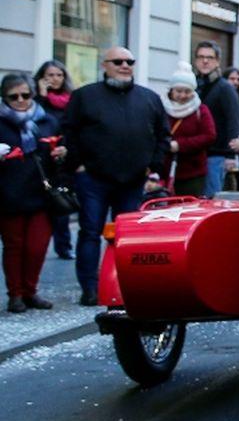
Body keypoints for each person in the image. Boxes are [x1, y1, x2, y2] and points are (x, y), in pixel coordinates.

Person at [61, 47, 170, 306]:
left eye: (130, 61)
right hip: (93, 178)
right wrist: (78, 165)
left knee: (127, 236)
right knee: (90, 232)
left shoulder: (149, 98)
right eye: (118, 61)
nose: (125, 65)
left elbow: (163, 135)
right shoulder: (84, 96)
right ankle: (89, 287)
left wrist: (152, 166)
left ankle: (123, 284)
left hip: (133, 179)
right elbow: (68, 132)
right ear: (105, 65)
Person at [1, 74, 66, 312]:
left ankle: (31, 291)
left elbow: (61, 147)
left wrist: (61, 153)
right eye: (14, 97)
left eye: (25, 95)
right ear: (4, 98)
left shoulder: (47, 120)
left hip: (42, 193)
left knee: (37, 248)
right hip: (9, 194)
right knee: (14, 247)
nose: (21, 100)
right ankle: (16, 294)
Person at [33, 60, 74, 260]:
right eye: (50, 75)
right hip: (40, 159)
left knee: (61, 202)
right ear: (42, 77)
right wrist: (41, 95)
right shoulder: (34, 100)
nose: (55, 79)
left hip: (62, 158)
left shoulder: (70, 100)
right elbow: (34, 120)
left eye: (59, 75)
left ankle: (64, 246)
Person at [192, 41, 239, 197]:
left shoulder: (225, 88)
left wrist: (230, 155)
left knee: (212, 198)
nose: (205, 61)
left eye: (209, 57)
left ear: (217, 61)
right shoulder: (193, 86)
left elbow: (233, 121)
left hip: (217, 156)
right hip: (195, 155)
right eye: (200, 57)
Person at [159, 63, 217, 198]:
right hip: (163, 171)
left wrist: (180, 145)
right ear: (171, 90)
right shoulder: (160, 108)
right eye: (179, 91)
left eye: (187, 91)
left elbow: (209, 136)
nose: (183, 95)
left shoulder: (201, 110)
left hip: (192, 173)